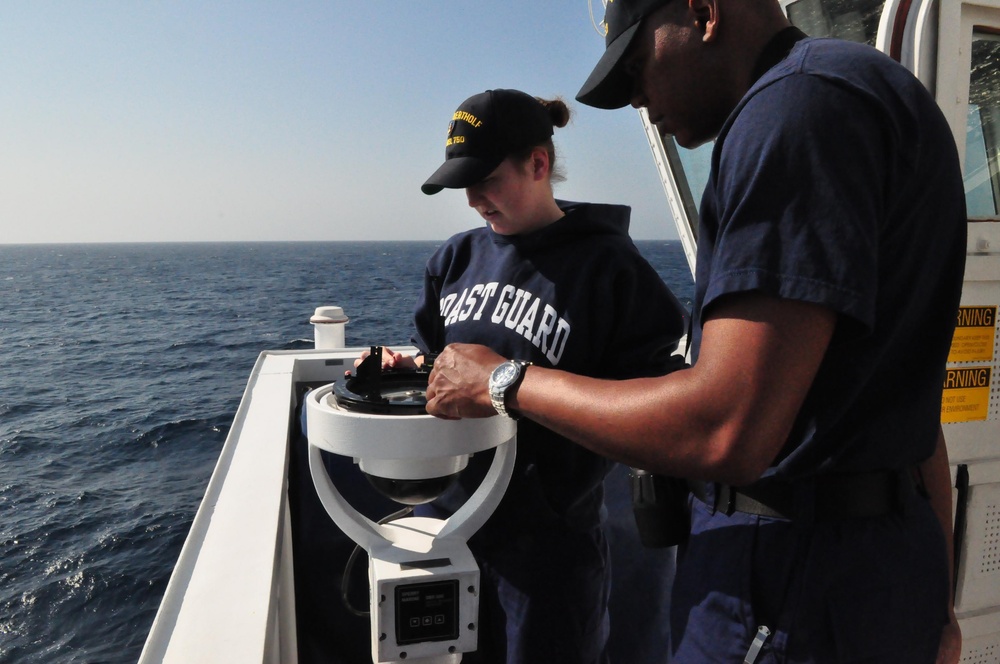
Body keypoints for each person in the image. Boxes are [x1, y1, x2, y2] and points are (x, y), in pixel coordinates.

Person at [424, 2, 967, 663]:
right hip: (882, 573)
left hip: (785, 581)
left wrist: (503, 381)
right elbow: (911, 407)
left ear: (704, 12)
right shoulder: (877, 89)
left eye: (637, 66)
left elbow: (724, 428)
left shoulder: (791, 115)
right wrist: (936, 604)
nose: (637, 102)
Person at [365, 88, 689, 664]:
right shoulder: (454, 260)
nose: (472, 200)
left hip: (548, 542)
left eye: (486, 178)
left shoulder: (607, 266)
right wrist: (408, 366)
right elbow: (440, 363)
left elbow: (655, 401)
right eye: (463, 184)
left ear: (538, 164)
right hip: (447, 518)